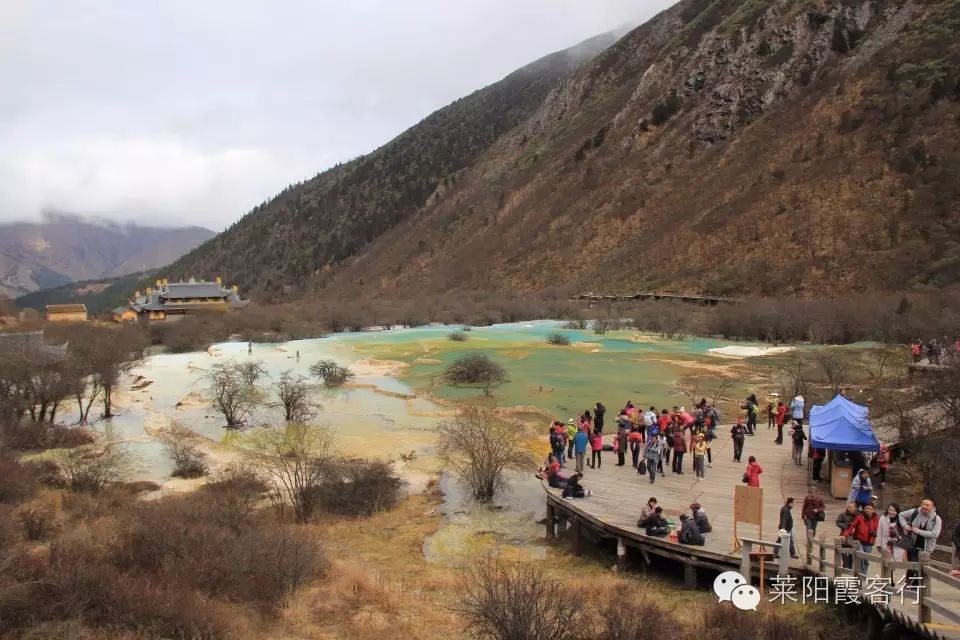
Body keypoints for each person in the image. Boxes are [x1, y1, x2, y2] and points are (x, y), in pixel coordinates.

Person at [898, 499, 943, 582]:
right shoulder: (915, 512)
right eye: (923, 504)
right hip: (912, 545)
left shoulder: (937, 519)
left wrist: (918, 531)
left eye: (927, 505)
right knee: (912, 566)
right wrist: (904, 525)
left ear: (933, 507)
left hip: (926, 548)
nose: (924, 506)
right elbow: (901, 515)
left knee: (922, 568)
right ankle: (909, 584)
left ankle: (913, 585)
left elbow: (934, 534)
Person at [842, 503, 879, 577]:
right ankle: (860, 574)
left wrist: (875, 533)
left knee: (866, 560)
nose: (868, 510)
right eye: (867, 508)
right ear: (864, 509)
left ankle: (864, 574)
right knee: (861, 556)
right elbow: (851, 527)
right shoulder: (859, 517)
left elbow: (879, 529)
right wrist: (844, 535)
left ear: (873, 510)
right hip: (859, 541)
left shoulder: (876, 518)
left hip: (870, 542)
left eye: (870, 509)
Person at [836, 503, 858, 569]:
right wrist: (845, 526)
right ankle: (845, 564)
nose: (850, 508)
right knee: (843, 550)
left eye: (852, 507)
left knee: (851, 551)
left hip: (854, 536)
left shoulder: (858, 516)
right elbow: (838, 522)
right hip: (844, 534)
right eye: (849, 507)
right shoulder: (843, 514)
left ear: (855, 508)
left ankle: (849, 565)